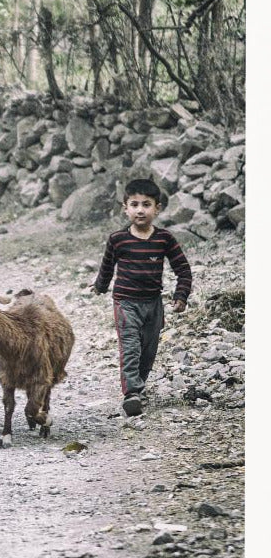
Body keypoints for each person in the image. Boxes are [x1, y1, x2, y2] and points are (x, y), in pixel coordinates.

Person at [91, 178, 192, 417]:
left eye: (146, 204)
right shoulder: (118, 239)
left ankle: (140, 385)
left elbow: (183, 269)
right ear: (125, 208)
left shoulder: (164, 239)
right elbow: (107, 268)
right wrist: (100, 286)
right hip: (125, 302)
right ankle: (132, 393)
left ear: (157, 208)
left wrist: (181, 295)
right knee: (130, 347)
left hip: (153, 304)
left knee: (148, 350)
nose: (140, 210)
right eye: (134, 204)